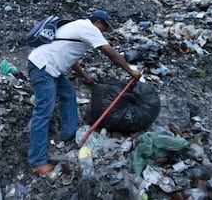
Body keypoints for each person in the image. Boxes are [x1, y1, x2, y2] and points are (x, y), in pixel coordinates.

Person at [26, 10, 141, 176]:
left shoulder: (77, 27)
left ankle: (68, 133)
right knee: (43, 112)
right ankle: (37, 163)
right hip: (43, 68)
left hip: (49, 68)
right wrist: (131, 71)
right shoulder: (89, 28)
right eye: (104, 28)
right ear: (99, 23)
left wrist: (85, 76)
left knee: (68, 93)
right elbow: (110, 52)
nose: (103, 32)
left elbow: (71, 58)